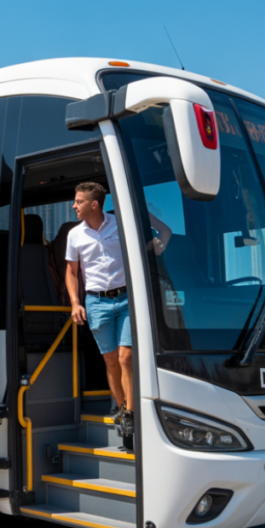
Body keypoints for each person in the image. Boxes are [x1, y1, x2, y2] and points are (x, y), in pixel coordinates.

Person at [65, 182, 170, 448]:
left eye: (78, 201)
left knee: (126, 357)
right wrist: (76, 303)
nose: (74, 206)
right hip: (96, 303)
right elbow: (71, 272)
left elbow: (163, 231)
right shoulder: (75, 235)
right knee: (111, 360)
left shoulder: (121, 222)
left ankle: (130, 415)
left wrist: (161, 241)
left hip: (126, 299)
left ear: (94, 204)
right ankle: (122, 409)